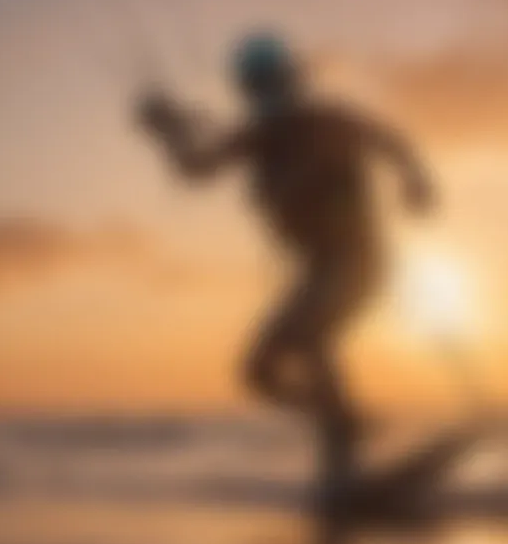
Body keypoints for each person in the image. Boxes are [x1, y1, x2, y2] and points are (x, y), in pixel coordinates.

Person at [136, 32, 435, 452]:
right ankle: (345, 436)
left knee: (310, 338)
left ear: (291, 80)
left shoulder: (327, 120)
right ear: (247, 90)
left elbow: (389, 140)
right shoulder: (255, 137)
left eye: (272, 81)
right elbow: (197, 169)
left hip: (359, 262)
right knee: (260, 373)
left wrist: (416, 183)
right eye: (256, 85)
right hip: (315, 272)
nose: (265, 93)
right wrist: (166, 131)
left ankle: (344, 432)